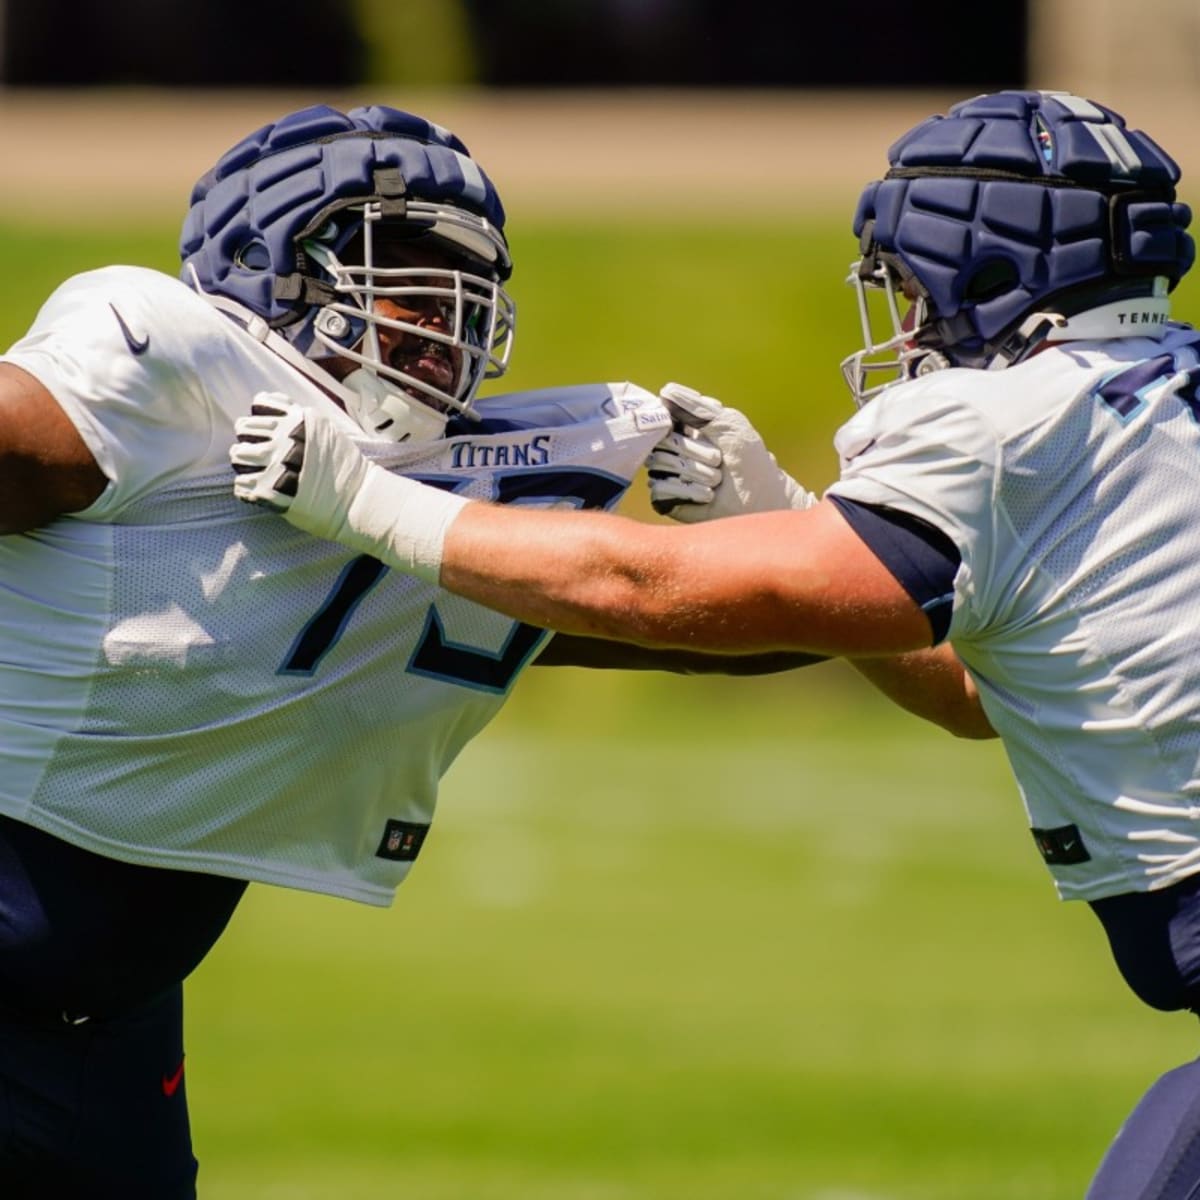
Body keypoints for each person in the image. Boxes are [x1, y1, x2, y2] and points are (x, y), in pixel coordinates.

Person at [232, 88, 1200, 1196]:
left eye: (913, 290)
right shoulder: (1156, 401)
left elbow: (644, 585)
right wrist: (791, 508)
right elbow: (992, 694)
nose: (912, 323)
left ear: (987, 270)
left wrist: (370, 506)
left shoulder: (1012, 422)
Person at [0, 102, 812, 1198]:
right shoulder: (175, 374)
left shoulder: (424, 492)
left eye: (457, 299)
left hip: (112, 1026)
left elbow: (714, 632)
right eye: (404, 287)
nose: (441, 329)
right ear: (269, 274)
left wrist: (766, 534)